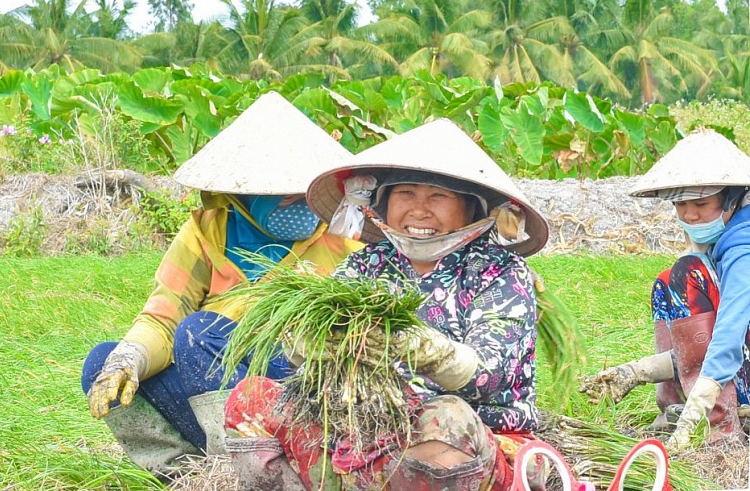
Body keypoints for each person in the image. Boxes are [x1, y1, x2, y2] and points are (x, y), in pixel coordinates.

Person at [221, 118, 553, 490]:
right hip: (365, 427)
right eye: (406, 194)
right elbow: (312, 343)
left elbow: (489, 378)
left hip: (473, 437)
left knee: (444, 418)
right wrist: (312, 344)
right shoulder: (367, 264)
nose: (419, 210)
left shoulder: (500, 272)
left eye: (438, 197)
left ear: (472, 210)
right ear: (383, 202)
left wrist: (425, 350)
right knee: (252, 399)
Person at [80, 91, 363, 479]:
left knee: (200, 332)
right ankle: (187, 476)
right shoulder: (204, 233)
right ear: (242, 194)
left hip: (299, 392)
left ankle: (249, 473)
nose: (301, 204)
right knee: (103, 364)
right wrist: (129, 359)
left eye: (306, 194)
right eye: (286, 196)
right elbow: (164, 318)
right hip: (214, 391)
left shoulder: (344, 239)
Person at [580, 128, 750, 449]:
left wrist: (697, 416)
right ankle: (672, 409)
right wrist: (638, 371)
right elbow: (701, 343)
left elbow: (729, 338)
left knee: (687, 275)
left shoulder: (743, 244)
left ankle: (720, 434)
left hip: (738, 364)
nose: (689, 213)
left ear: (730, 197)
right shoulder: (723, 235)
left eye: (700, 202)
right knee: (665, 280)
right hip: (741, 362)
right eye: (681, 204)